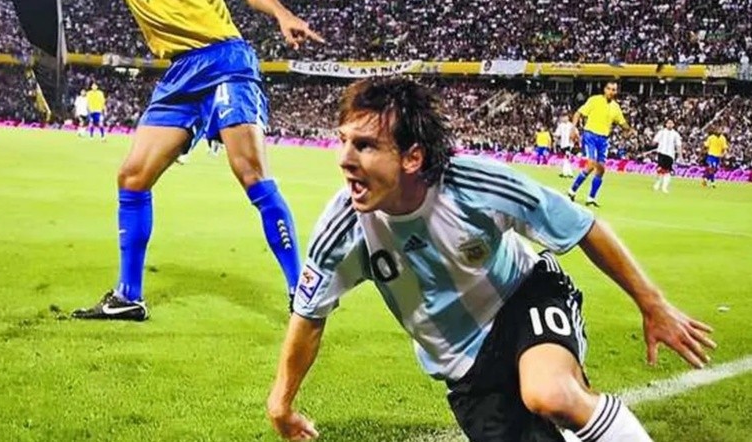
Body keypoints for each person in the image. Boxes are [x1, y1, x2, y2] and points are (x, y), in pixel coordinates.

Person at [266, 78, 715, 442]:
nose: (344, 159)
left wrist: (651, 304)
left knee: (550, 394)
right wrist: (281, 404)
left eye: (364, 146)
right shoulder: (341, 228)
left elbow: (581, 225)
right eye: (342, 141)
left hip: (523, 297)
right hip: (462, 365)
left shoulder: (474, 185)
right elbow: (309, 315)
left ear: (412, 157)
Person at [72, 0, 323, 321]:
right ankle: (128, 296)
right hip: (179, 72)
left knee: (252, 175)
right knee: (133, 177)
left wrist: (281, 14)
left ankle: (301, 293)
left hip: (223, 60)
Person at [568, 82, 635, 207]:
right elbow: (578, 113)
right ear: (605, 90)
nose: (611, 91)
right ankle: (572, 190)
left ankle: (591, 198)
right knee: (591, 164)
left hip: (604, 140)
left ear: (616, 92)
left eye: (614, 90)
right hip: (590, 135)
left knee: (601, 170)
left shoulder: (616, 107)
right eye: (609, 89)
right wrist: (573, 128)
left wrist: (630, 129)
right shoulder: (594, 100)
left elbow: (622, 123)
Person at [651, 119, 682, 193]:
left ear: (673, 125)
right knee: (660, 169)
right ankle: (658, 183)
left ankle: (664, 187)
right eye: (668, 123)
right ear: (666, 124)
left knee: (667, 171)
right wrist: (652, 143)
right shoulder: (661, 132)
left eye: (671, 123)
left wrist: (680, 155)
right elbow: (655, 141)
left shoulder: (676, 134)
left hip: (670, 155)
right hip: (661, 152)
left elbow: (678, 145)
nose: (670, 124)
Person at [555, 113, 578, 178]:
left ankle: (566, 173)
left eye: (565, 117)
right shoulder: (560, 126)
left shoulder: (571, 125)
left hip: (569, 144)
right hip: (563, 144)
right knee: (566, 158)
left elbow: (576, 133)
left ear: (568, 118)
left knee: (566, 157)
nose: (564, 118)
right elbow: (557, 134)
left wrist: (575, 139)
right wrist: (555, 136)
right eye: (563, 117)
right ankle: (568, 173)